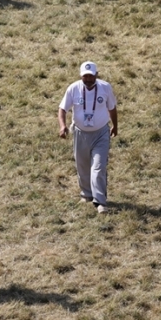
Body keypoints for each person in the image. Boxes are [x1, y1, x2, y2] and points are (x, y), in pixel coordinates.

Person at [58, 61, 118, 214]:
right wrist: (62, 126)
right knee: (82, 165)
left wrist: (115, 125)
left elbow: (112, 107)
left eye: (91, 76)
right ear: (81, 76)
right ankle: (86, 194)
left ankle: (100, 202)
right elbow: (62, 108)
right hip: (80, 133)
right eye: (86, 76)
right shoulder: (73, 88)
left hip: (101, 133)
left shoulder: (105, 87)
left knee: (98, 167)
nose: (89, 79)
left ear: (97, 75)